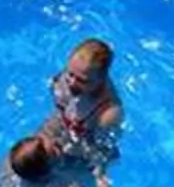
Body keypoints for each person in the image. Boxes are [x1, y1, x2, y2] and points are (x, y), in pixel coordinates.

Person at [41, 38, 126, 175]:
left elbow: (103, 152)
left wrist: (99, 177)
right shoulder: (67, 76)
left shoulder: (108, 113)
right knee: (23, 162)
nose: (71, 83)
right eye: (70, 74)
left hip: (84, 152)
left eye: (82, 80)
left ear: (101, 79)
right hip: (60, 126)